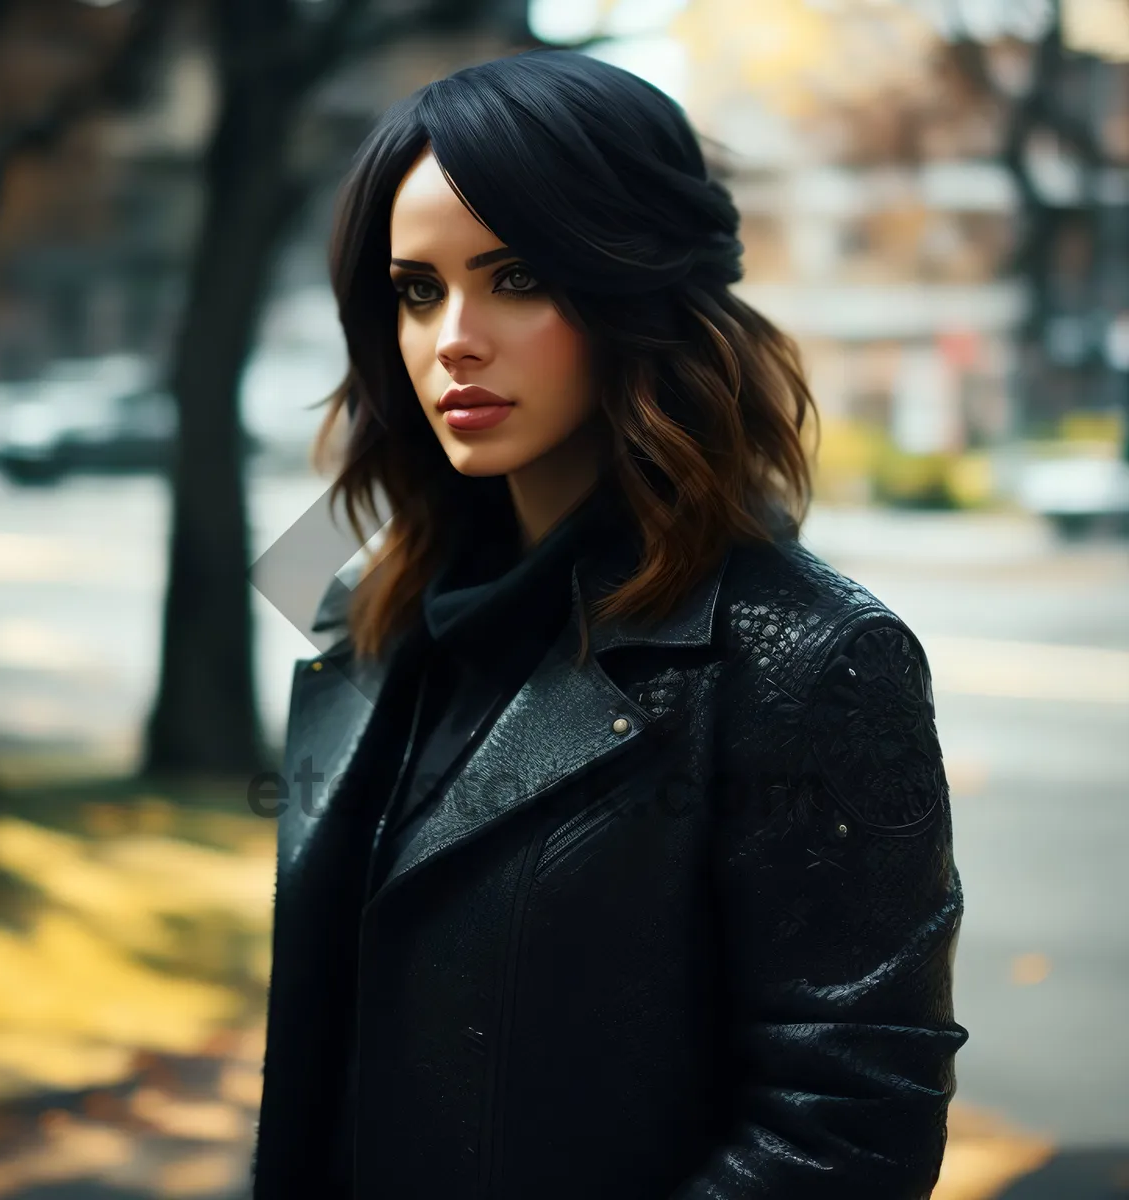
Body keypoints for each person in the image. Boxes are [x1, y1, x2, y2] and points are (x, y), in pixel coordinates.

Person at [251, 48, 967, 1200]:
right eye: (418, 291)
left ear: (635, 288)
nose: (454, 338)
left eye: (516, 277)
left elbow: (848, 1128)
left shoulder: (810, 657)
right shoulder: (372, 617)